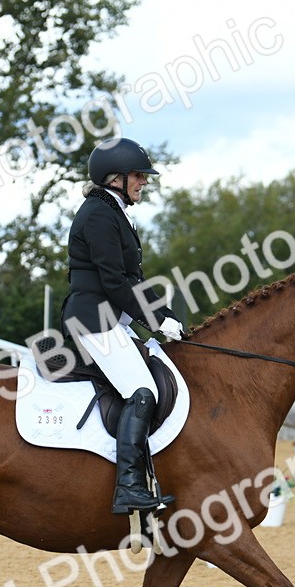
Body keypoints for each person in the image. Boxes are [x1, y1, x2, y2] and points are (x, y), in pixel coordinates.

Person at [60, 137, 184, 516]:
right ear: (115, 178)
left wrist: (167, 313)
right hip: (93, 318)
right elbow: (114, 282)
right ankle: (129, 486)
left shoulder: (113, 211)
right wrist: (157, 320)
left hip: (111, 317)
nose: (143, 182)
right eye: (138, 176)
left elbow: (132, 281)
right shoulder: (99, 214)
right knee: (142, 391)